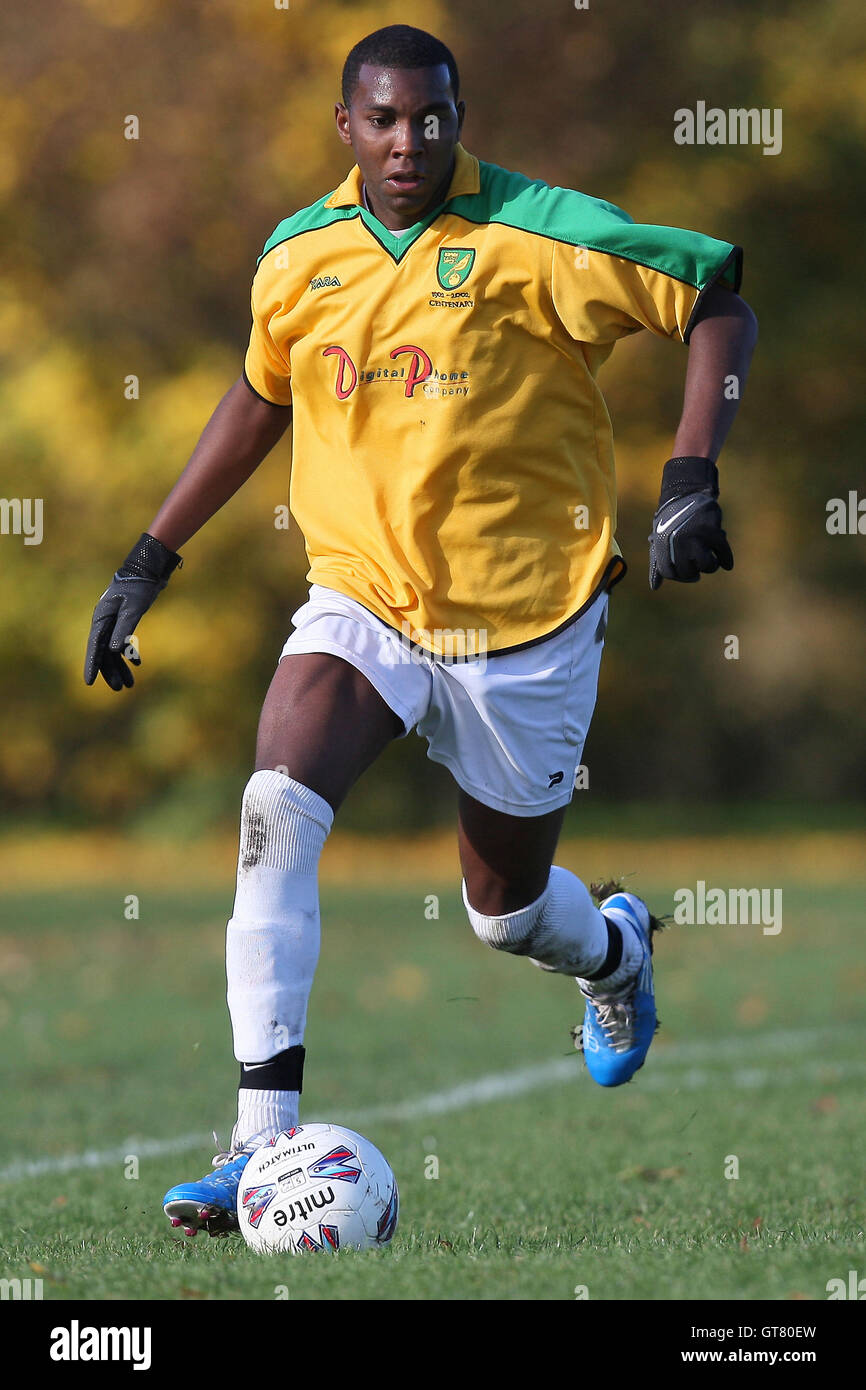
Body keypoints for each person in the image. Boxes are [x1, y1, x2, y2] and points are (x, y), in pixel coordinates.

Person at [84, 24, 757, 1237]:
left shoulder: (537, 234)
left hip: (528, 623)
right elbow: (256, 395)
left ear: (457, 117)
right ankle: (258, 1141)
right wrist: (149, 555)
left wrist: (691, 474)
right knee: (273, 807)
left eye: (430, 118)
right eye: (384, 120)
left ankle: (610, 951)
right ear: (345, 127)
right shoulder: (298, 257)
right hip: (366, 599)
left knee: (500, 911)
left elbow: (714, 293)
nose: (409, 142)